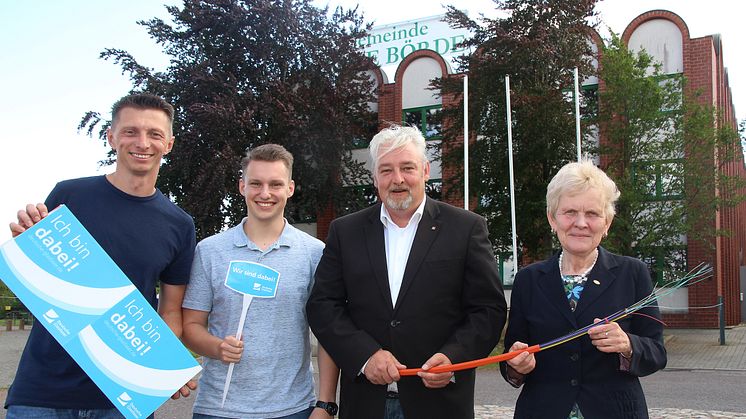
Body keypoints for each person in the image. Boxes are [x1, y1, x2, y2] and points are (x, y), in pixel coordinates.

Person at [5, 93, 197, 418]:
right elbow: (38, 283)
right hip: (43, 390)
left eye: (154, 134)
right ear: (111, 137)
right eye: (130, 131)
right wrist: (26, 247)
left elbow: (170, 312)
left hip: (123, 399)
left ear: (169, 144)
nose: (142, 142)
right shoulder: (69, 195)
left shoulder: (179, 225)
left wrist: (163, 362)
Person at [306, 125, 507, 419]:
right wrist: (364, 355)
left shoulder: (466, 228)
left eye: (407, 168)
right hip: (365, 404)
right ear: (375, 178)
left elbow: (488, 310)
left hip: (440, 404)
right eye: (386, 170)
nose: (397, 179)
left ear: (425, 170)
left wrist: (454, 357)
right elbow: (323, 305)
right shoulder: (344, 231)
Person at [182, 144, 339, 419]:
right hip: (218, 409)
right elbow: (191, 325)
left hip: (292, 409)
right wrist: (217, 347)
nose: (265, 194)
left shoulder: (314, 253)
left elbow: (327, 332)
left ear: (290, 188)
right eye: (256, 183)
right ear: (242, 186)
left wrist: (325, 404)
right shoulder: (210, 251)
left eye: (275, 184)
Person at [501, 159, 667, 419]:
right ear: (552, 219)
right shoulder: (529, 279)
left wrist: (627, 344)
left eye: (592, 214)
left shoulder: (632, 273)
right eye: (570, 212)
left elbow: (657, 353)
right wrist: (516, 365)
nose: (581, 223)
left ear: (607, 223)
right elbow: (510, 357)